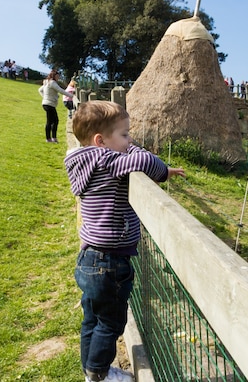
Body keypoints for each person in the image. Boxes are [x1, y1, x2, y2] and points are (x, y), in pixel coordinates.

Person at [64, 101, 185, 382]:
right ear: (100, 141)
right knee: (110, 322)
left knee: (92, 320)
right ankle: (99, 375)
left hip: (89, 258)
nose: (131, 140)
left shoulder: (85, 160)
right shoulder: (108, 161)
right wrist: (164, 169)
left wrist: (125, 144)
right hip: (110, 261)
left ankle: (91, 370)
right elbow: (147, 163)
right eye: (125, 134)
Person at [38, 69, 73, 143]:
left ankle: (52, 138)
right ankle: (50, 138)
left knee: (53, 121)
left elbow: (40, 90)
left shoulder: (47, 82)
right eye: (57, 76)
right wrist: (71, 96)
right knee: (51, 121)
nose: (58, 78)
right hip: (49, 104)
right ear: (54, 76)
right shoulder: (52, 83)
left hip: (47, 103)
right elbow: (60, 90)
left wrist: (45, 97)